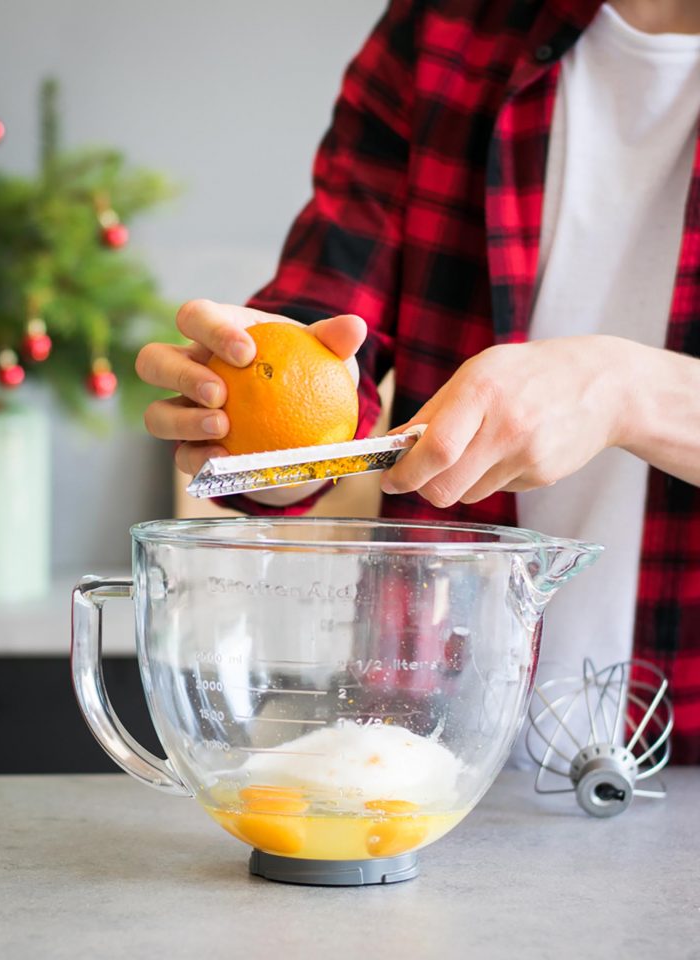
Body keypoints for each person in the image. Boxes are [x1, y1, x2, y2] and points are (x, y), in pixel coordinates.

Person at [136, 0, 700, 763]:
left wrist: (624, 389)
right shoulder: (446, 26)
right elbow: (326, 330)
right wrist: (250, 418)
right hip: (435, 761)